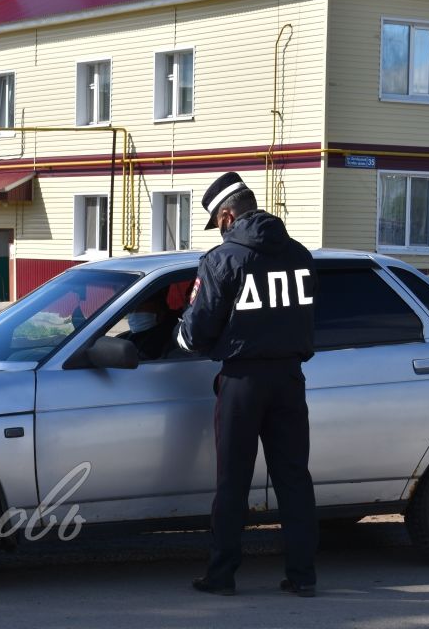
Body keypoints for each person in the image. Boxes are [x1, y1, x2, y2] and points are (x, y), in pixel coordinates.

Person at [175, 172, 318, 597]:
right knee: (294, 478)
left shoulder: (223, 259)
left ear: (227, 215)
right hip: (290, 379)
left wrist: (179, 330)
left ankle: (221, 576)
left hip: (242, 382)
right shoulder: (300, 255)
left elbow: (196, 333)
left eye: (217, 221)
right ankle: (303, 575)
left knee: (233, 481)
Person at [120, 289, 178, 361]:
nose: (133, 313)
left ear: (160, 312)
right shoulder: (129, 336)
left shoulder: (167, 341)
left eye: (140, 308)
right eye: (131, 309)